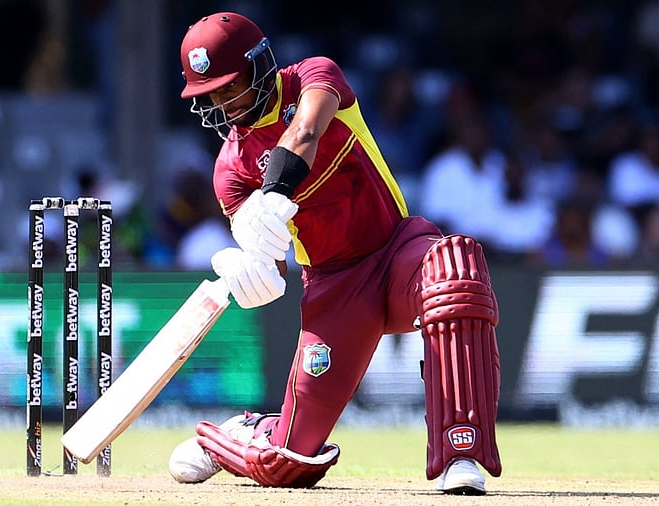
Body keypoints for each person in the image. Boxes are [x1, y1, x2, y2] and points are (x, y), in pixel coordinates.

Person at [167, 12, 502, 494]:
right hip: (334, 289)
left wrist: (274, 194)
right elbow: (267, 259)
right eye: (211, 95)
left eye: (229, 87)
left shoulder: (314, 76)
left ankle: (460, 452)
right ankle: (237, 436)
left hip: (396, 250)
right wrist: (252, 268)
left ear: (259, 65)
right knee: (287, 464)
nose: (223, 104)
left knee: (456, 265)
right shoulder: (231, 170)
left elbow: (305, 131)